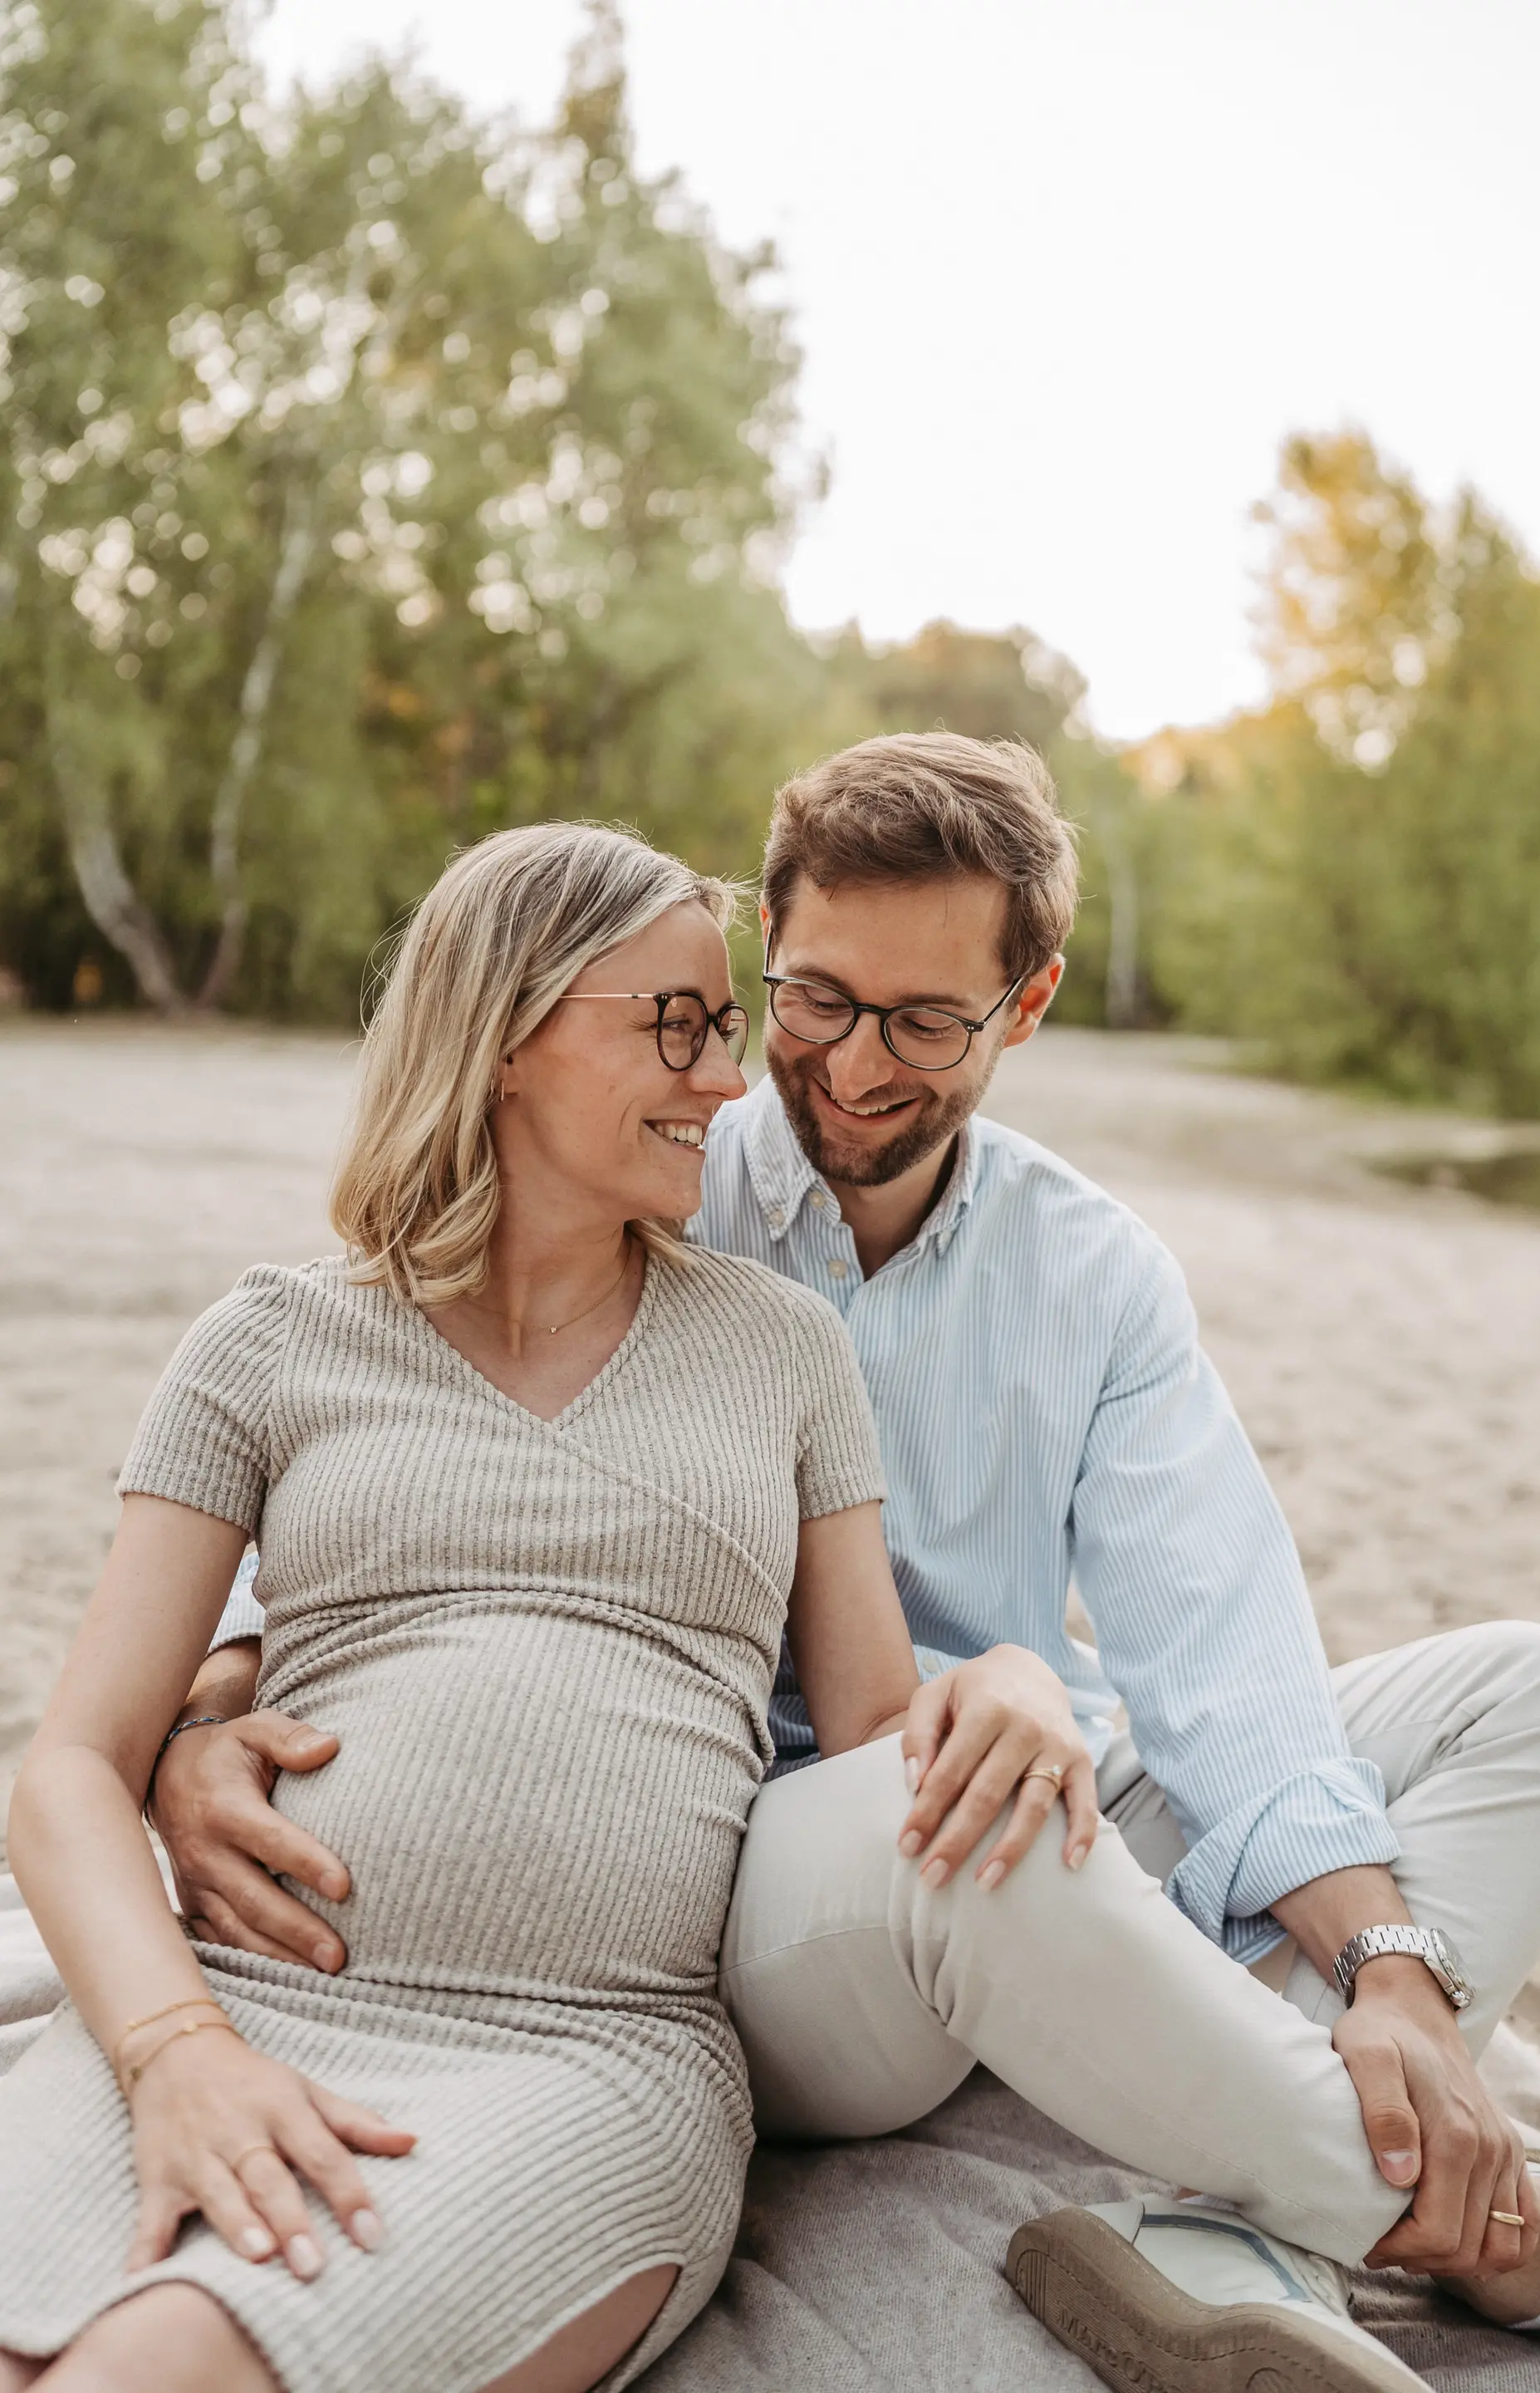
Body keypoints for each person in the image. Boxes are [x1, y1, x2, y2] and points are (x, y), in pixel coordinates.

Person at [147, 740, 1540, 2391]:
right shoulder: (645, 1164)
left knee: (1536, 1701)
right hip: (753, 1871)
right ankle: (1524, 2246)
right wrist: (202, 1720)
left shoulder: (1094, 1274)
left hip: (1020, 1789)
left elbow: (1227, 1665)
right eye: (816, 999)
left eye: (924, 1022)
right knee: (961, 1806)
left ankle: (1244, 2212)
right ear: (764, 945)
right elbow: (370, 1464)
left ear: (1028, 1005)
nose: (846, 1067)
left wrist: (1390, 1969)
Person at [0, 822, 1070, 2393]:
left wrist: (1024, 1680)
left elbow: (874, 1746)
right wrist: (177, 2053)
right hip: (218, 2007)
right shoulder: (269, 1343)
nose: (728, 1082)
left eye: (726, 1028)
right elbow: (72, 1766)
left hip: (579, 2063)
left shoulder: (784, 1355)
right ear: (504, 1036)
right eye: (678, 1026)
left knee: (150, 2373)